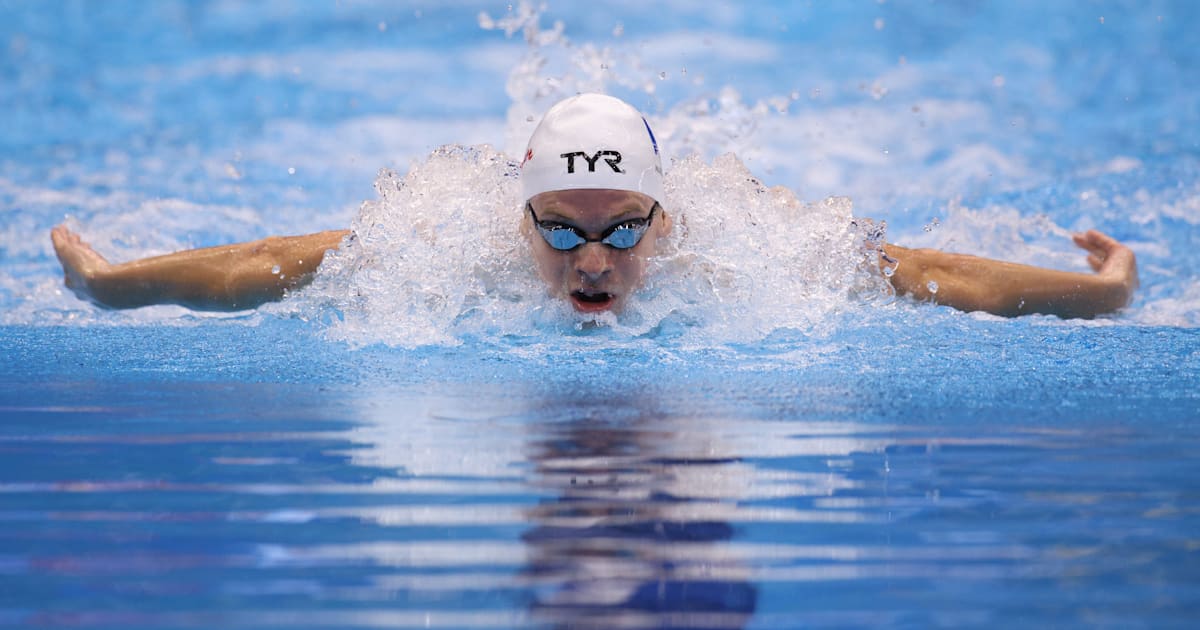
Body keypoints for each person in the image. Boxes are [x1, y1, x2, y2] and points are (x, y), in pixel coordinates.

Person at [50, 93, 1138, 319]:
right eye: (560, 230)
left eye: (623, 230)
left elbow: (935, 275)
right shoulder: (451, 240)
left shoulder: (742, 247)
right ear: (519, 218)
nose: (592, 264)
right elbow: (274, 261)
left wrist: (1102, 294)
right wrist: (111, 286)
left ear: (663, 220)